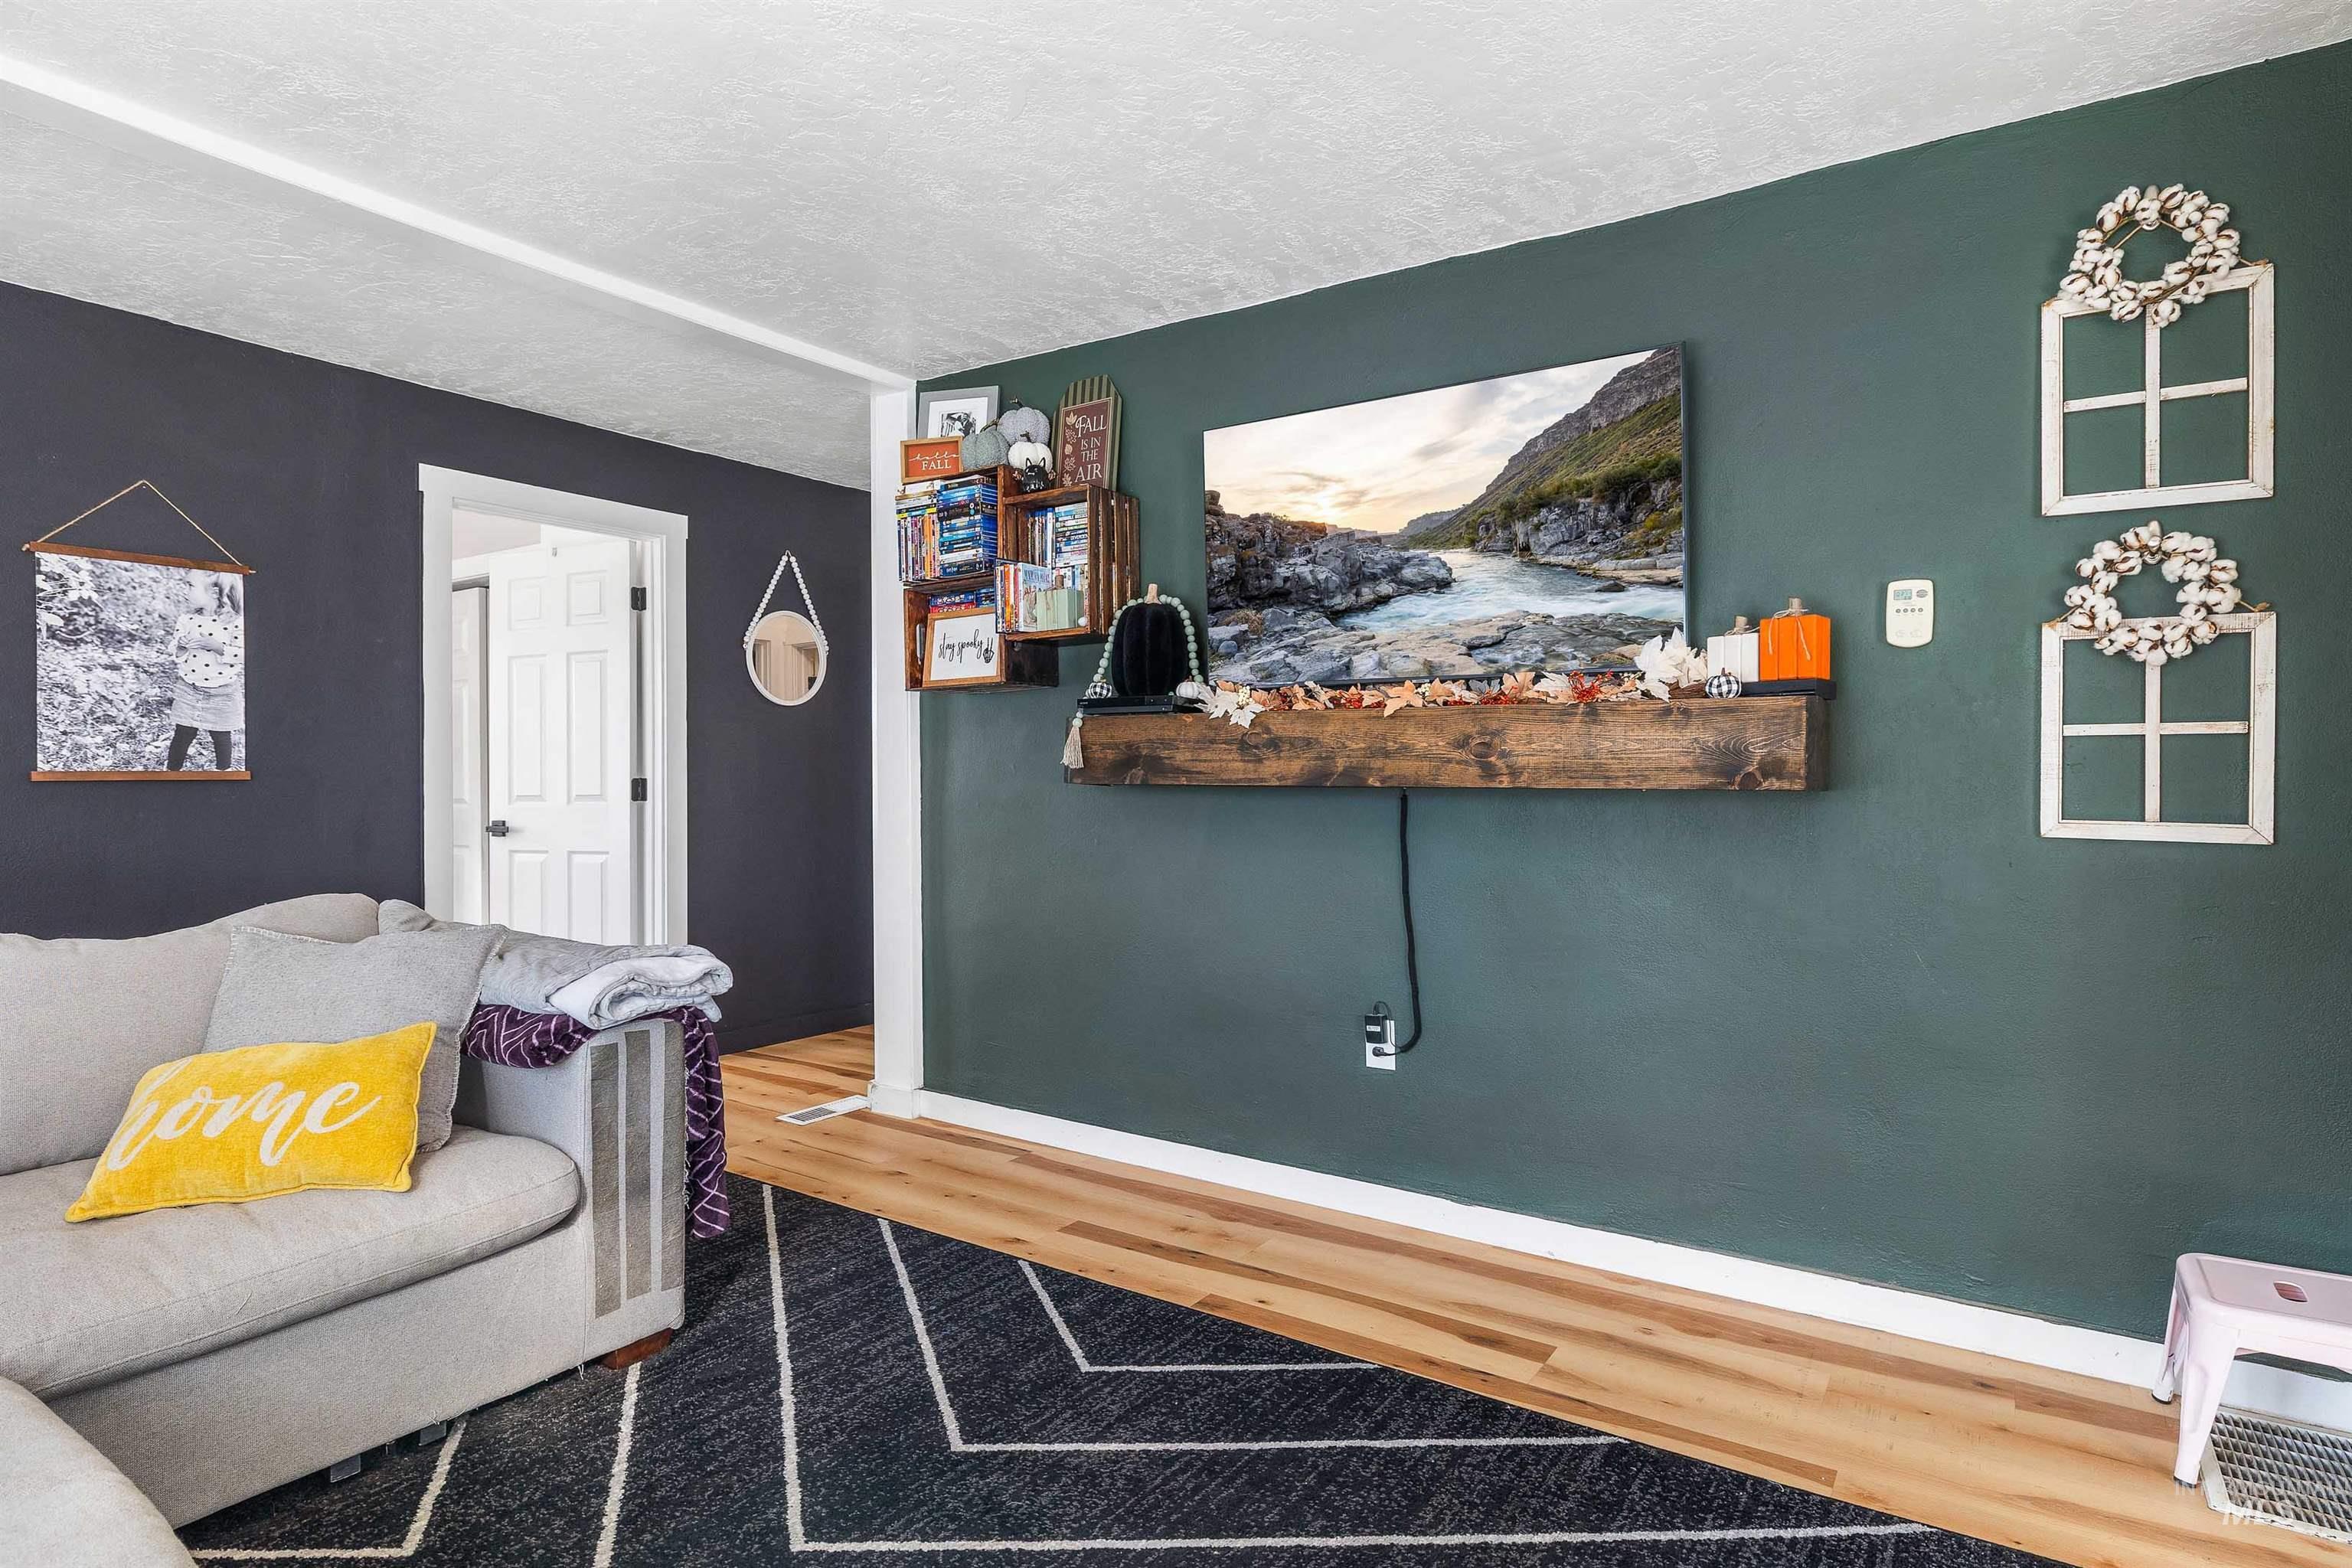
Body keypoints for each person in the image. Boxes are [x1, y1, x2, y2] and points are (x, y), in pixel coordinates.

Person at [165, 570, 244, 771]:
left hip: (223, 691)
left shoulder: (235, 622)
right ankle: (171, 773)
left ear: (214, 592)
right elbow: (174, 649)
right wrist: (181, 646)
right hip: (189, 688)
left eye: (190, 586)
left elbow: (244, 654)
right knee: (183, 733)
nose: (186, 591)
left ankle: (224, 773)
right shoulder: (187, 619)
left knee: (221, 735)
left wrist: (218, 647)